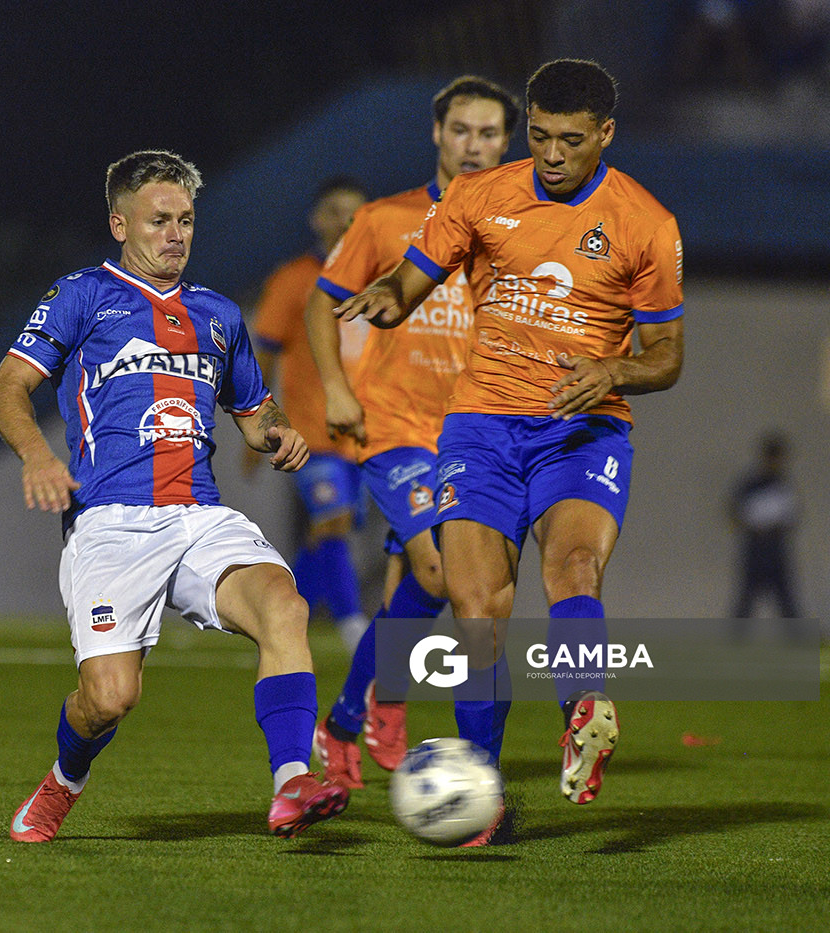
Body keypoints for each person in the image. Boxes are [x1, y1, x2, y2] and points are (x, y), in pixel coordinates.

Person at [335, 59, 685, 842]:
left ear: (606, 135)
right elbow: (411, 279)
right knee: (476, 612)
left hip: (581, 426)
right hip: (482, 427)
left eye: (570, 139)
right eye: (539, 135)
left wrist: (615, 368)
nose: (552, 154)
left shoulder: (645, 223)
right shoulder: (481, 196)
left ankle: (583, 705)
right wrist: (386, 300)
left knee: (573, 567)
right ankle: (484, 796)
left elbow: (666, 354)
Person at [0, 150, 349, 842]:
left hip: (199, 513)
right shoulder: (82, 294)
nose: (176, 234)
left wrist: (279, 433)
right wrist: (38, 455)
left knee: (284, 603)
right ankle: (65, 778)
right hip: (110, 522)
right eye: (159, 220)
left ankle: (292, 779)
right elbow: (5, 387)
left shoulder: (216, 314)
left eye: (185, 220)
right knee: (110, 699)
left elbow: (254, 408)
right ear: (119, 222)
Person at [304, 76, 519, 790]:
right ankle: (383, 716)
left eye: (489, 134)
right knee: (436, 573)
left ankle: (353, 714)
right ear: (437, 133)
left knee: (429, 590)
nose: (474, 146)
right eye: (461, 130)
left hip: (478, 435)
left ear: (507, 142)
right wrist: (336, 385)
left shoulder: (521, 229)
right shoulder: (386, 218)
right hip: (395, 426)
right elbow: (321, 301)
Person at [247, 176, 369, 652]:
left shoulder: (384, 276)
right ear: (317, 219)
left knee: (328, 530)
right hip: (311, 430)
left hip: (370, 433)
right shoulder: (294, 279)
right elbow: (266, 356)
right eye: (336, 210)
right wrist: (258, 425)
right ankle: (351, 622)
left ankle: (283, 609)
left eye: (356, 212)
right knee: (334, 518)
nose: (346, 221)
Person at [730, 431, 800, 622]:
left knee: (786, 600)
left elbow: (792, 518)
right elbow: (735, 514)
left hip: (776, 549)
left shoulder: (782, 484)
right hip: (756, 549)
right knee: (746, 601)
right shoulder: (751, 485)